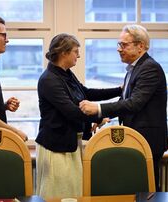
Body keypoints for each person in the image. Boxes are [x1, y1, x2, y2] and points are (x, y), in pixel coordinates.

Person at [79, 24, 168, 191]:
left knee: (147, 191)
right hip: (136, 138)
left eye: (124, 45)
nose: (119, 49)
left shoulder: (149, 68)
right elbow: (125, 99)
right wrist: (104, 117)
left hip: (148, 140)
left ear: (140, 46)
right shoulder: (133, 69)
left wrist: (98, 108)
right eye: (119, 44)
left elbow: (135, 103)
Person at [35, 33, 122, 199]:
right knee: (58, 195)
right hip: (55, 146)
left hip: (69, 143)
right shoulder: (49, 79)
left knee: (72, 193)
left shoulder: (66, 73)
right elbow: (71, 111)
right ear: (64, 53)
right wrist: (99, 116)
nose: (79, 55)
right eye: (76, 51)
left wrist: (119, 90)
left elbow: (86, 93)